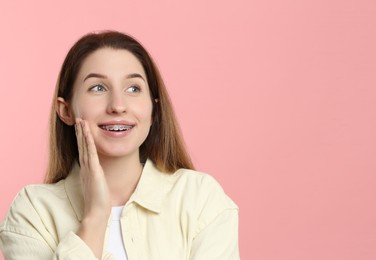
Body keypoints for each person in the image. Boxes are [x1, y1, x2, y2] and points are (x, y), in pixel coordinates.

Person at [0, 31, 239, 259]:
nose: (118, 105)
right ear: (66, 110)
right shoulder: (33, 211)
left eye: (133, 88)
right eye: (98, 88)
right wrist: (95, 216)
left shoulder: (199, 198)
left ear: (154, 108)